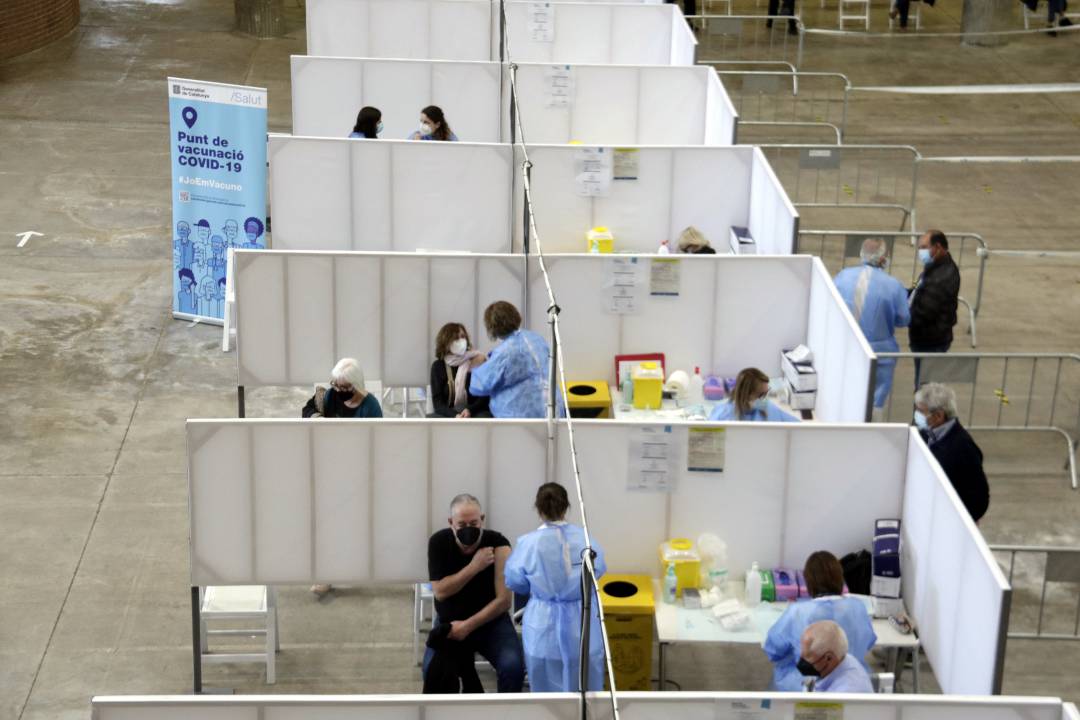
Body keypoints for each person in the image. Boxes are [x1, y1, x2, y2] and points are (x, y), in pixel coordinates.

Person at [505, 483, 607, 692]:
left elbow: (515, 581)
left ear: (538, 508)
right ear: (566, 506)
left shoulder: (528, 544)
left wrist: (543, 586)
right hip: (582, 619)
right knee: (585, 678)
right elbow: (598, 570)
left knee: (544, 682)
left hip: (543, 624)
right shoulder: (586, 540)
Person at [424, 494, 525, 693]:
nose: (468, 529)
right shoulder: (438, 542)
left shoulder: (498, 543)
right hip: (450, 623)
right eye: (462, 524)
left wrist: (467, 626)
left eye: (474, 523)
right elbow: (440, 592)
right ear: (451, 523)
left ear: (482, 520)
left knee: (512, 667)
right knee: (430, 671)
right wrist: (474, 567)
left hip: (491, 622)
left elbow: (504, 601)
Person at [763, 551, 876, 691]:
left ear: (808, 582)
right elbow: (869, 641)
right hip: (852, 681)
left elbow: (773, 649)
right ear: (840, 577)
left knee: (785, 668)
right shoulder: (858, 607)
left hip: (808, 685)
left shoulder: (798, 612)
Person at [834, 238, 911, 411]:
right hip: (879, 353)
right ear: (884, 259)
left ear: (862, 255)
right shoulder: (893, 286)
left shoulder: (843, 276)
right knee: (874, 405)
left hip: (845, 345)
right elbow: (903, 319)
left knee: (843, 394)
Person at [469, 301, 561, 419]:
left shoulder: (505, 352)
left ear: (492, 327)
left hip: (521, 417)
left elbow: (479, 385)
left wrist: (476, 365)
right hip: (553, 409)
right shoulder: (537, 339)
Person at [914, 383, 990, 522]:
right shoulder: (926, 433)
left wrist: (960, 523)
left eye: (921, 411)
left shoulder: (963, 449)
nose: (917, 416)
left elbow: (979, 499)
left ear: (938, 416)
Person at [909, 230, 960, 385]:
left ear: (937, 247)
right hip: (927, 339)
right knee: (923, 385)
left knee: (925, 391)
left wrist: (901, 314)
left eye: (924, 247)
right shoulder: (935, 267)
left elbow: (924, 312)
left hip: (931, 342)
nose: (920, 252)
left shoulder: (941, 277)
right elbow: (920, 290)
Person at [430, 323, 490, 418]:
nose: (461, 341)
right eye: (456, 338)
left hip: (475, 411)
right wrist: (455, 415)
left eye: (463, 337)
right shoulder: (438, 366)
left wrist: (470, 410)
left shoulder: (477, 360)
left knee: (484, 418)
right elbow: (438, 403)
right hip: (450, 413)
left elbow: (485, 396)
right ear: (446, 341)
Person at [799, 621, 874, 693]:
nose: (802, 660)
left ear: (828, 658)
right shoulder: (840, 657)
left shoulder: (846, 693)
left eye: (807, 657)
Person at [302, 358, 383, 419]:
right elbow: (307, 410)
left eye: (343, 387)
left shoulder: (371, 406)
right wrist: (317, 418)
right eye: (335, 384)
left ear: (357, 385)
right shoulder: (330, 395)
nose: (337, 390)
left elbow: (378, 435)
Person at [708, 368, 799, 422]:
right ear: (747, 395)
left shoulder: (768, 407)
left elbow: (800, 427)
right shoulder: (723, 414)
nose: (766, 398)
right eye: (762, 394)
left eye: (767, 392)